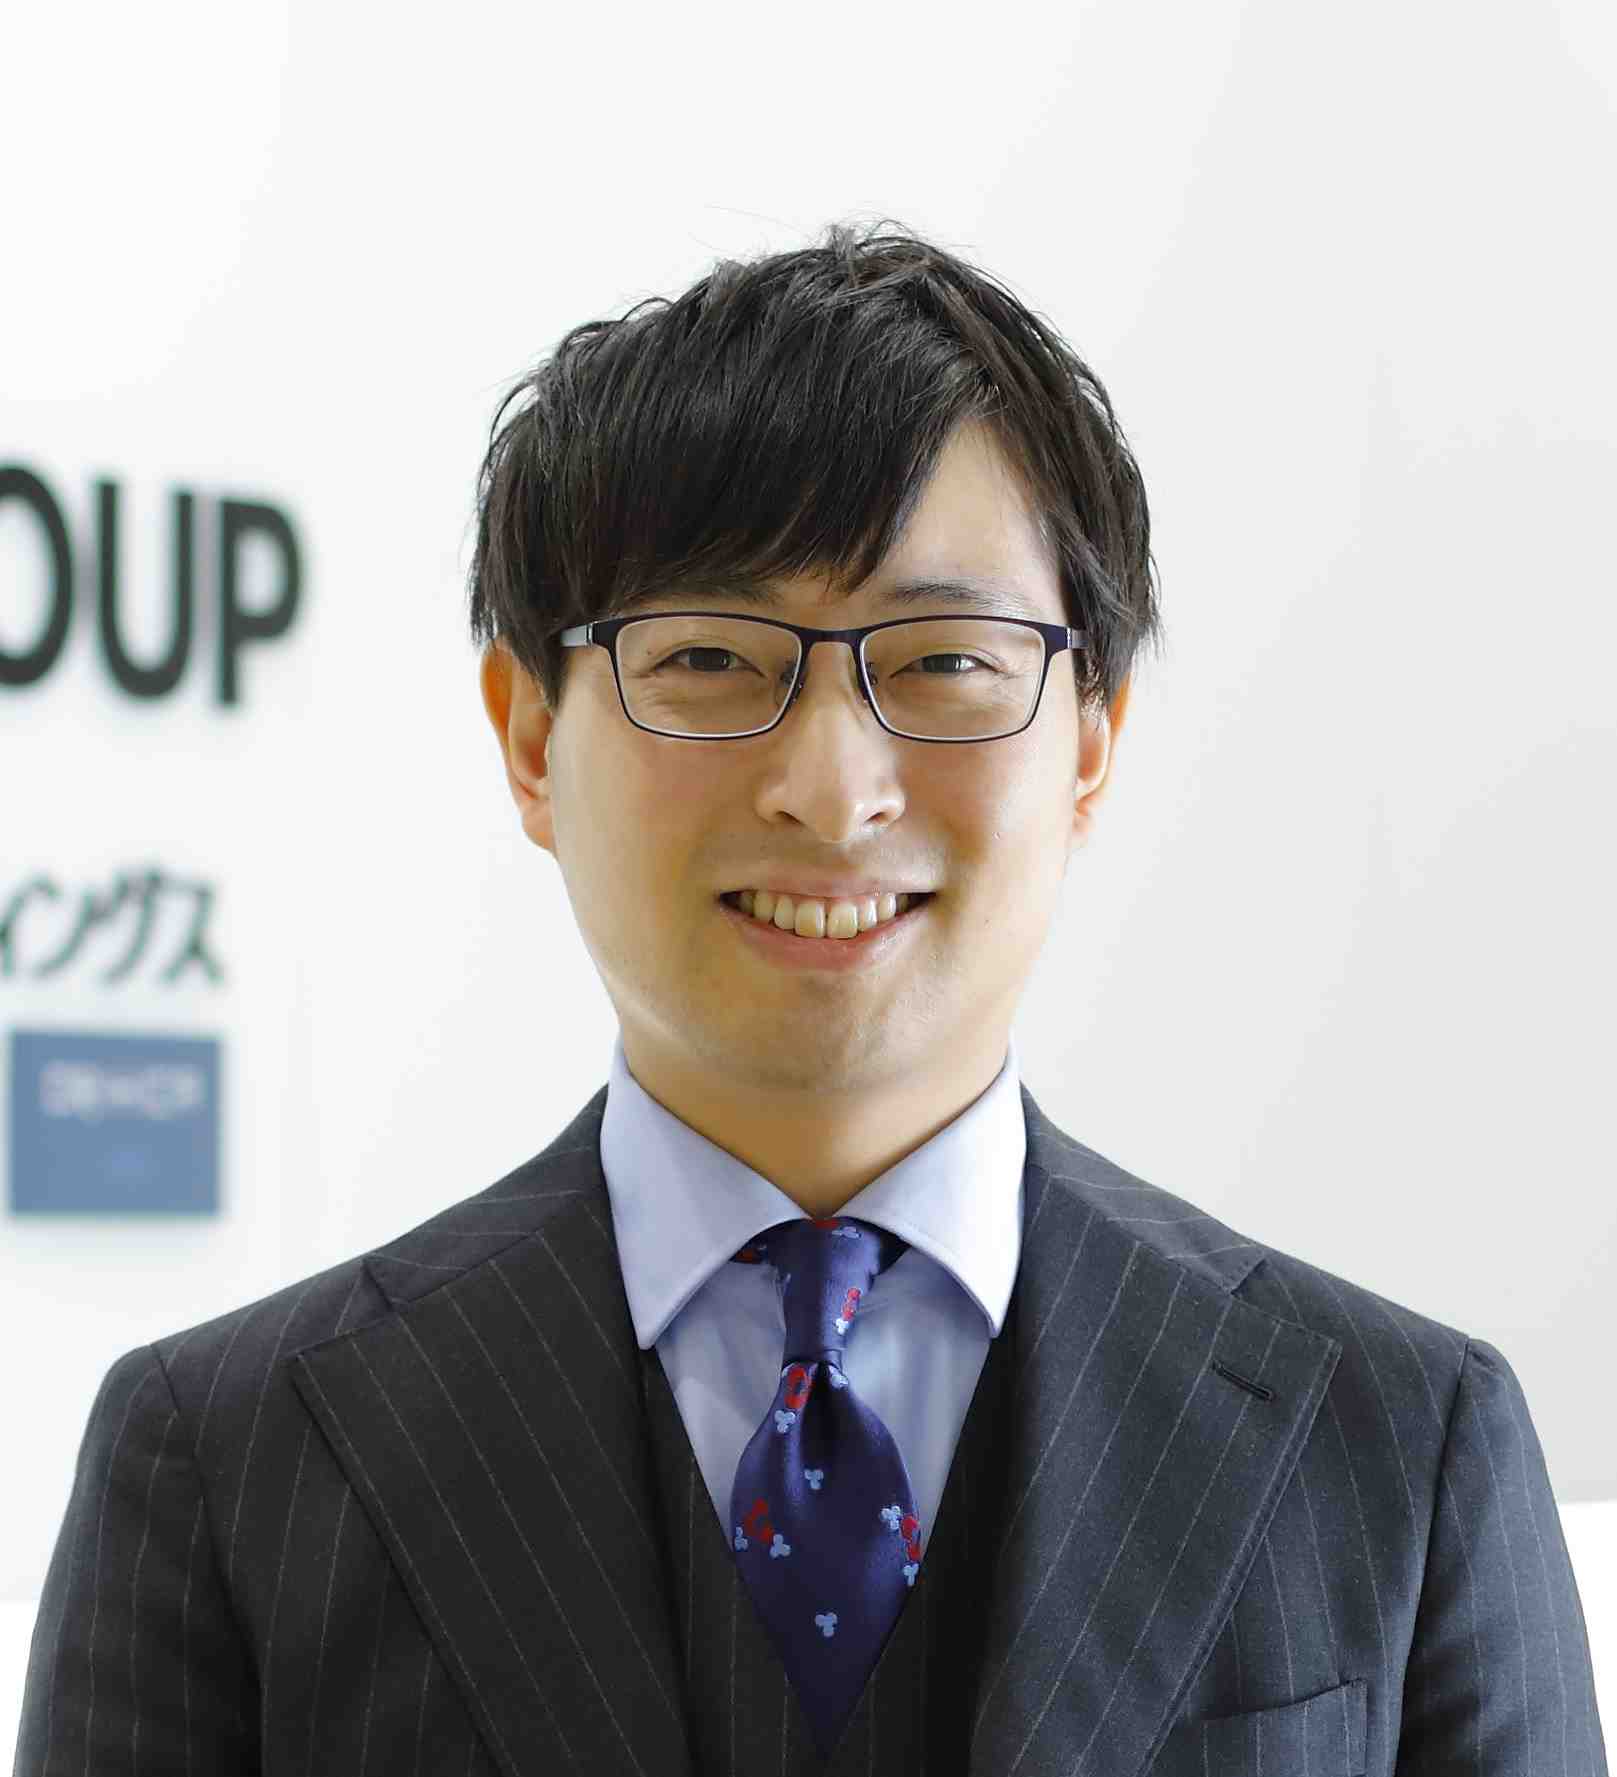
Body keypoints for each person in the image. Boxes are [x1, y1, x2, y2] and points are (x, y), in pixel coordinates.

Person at [15, 221, 1606, 1777]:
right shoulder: (220, 1458)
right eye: (710, 658)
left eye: (942, 661)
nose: (832, 789)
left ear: (1091, 740)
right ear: (530, 737)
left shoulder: (1403, 1440)